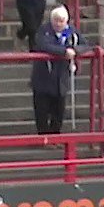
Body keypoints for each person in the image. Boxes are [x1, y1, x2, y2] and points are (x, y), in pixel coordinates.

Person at [29, 7, 76, 135]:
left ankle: (55, 136)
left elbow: (84, 44)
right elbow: (42, 45)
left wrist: (74, 50)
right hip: (43, 79)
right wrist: (64, 51)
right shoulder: (44, 30)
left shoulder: (71, 32)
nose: (59, 24)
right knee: (42, 112)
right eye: (56, 20)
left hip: (61, 80)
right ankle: (44, 138)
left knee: (58, 112)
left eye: (62, 21)